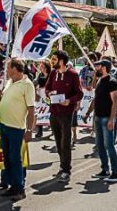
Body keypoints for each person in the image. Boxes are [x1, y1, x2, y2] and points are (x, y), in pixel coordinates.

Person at [0, 59, 36, 201]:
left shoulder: (27, 85)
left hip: (16, 128)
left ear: (15, 68)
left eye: (8, 67)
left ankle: (19, 189)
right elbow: (3, 102)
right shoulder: (10, 82)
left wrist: (30, 130)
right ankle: (12, 186)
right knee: (7, 159)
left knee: (15, 159)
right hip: (4, 125)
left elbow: (31, 109)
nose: (6, 70)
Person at [45, 50, 84, 182]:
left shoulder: (73, 75)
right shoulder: (53, 73)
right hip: (53, 112)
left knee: (65, 142)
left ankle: (66, 170)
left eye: (54, 59)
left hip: (66, 114)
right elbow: (47, 88)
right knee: (58, 142)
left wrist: (69, 101)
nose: (52, 61)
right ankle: (63, 166)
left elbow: (79, 93)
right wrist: (49, 93)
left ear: (61, 61)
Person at [84, 60, 117, 183]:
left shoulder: (112, 82)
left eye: (98, 66)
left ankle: (116, 172)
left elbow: (115, 102)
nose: (96, 68)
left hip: (106, 118)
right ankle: (105, 169)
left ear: (104, 67)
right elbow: (96, 98)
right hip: (98, 117)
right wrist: (88, 112)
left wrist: (111, 119)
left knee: (109, 145)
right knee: (100, 145)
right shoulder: (100, 81)